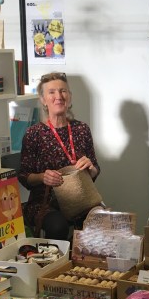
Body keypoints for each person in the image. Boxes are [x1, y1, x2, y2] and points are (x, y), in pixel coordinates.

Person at [18, 72, 100, 240]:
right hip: (45, 202)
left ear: (69, 96)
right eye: (52, 92)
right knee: (58, 225)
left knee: (101, 220)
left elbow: (95, 171)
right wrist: (43, 177)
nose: (59, 96)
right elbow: (24, 176)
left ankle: (81, 257)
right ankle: (58, 258)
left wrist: (91, 168)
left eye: (63, 91)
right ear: (43, 99)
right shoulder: (34, 134)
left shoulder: (82, 129)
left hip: (79, 200)